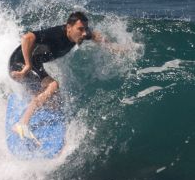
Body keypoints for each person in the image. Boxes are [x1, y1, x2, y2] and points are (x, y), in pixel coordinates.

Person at [8, 11, 124, 144]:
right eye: (80, 29)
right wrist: (27, 66)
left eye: (85, 29)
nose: (84, 33)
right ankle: (22, 124)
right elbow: (27, 37)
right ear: (69, 27)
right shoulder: (56, 34)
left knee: (54, 100)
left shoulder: (79, 35)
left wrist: (113, 47)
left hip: (35, 65)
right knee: (53, 85)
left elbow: (94, 35)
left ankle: (33, 103)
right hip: (19, 65)